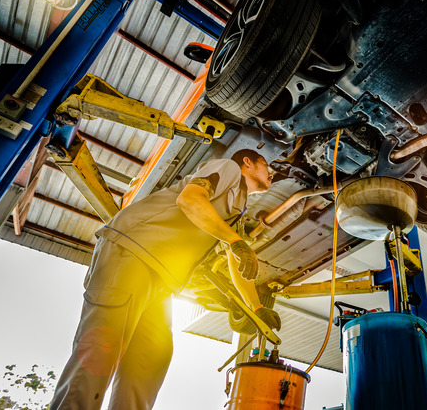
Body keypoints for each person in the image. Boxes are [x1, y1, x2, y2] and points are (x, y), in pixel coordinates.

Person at [49, 149, 281, 410]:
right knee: (102, 346)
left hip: (161, 279)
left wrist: (256, 308)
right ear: (247, 163)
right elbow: (190, 200)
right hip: (132, 252)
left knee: (150, 357)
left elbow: (236, 261)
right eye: (265, 164)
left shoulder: (238, 208)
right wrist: (236, 241)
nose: (272, 173)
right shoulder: (227, 168)